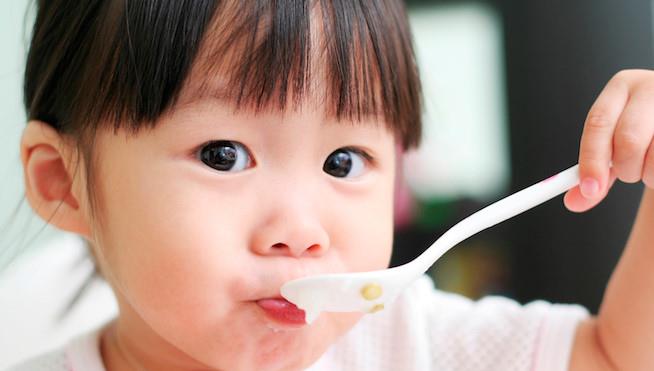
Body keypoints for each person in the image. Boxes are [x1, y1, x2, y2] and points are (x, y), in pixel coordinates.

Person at [6, 0, 654, 370]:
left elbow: (616, 356)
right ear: (65, 181)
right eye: (224, 154)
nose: (301, 231)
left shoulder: (407, 343)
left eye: (343, 162)